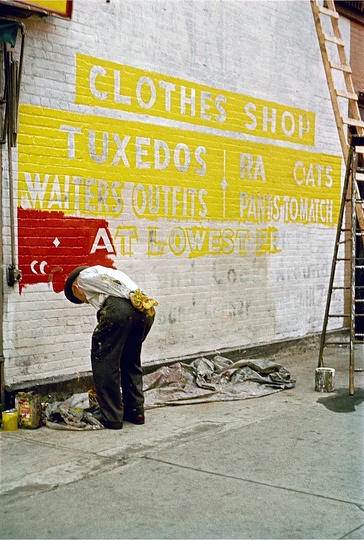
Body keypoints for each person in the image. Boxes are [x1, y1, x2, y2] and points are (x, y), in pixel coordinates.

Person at [63, 265, 157, 430]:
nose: (85, 300)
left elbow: (110, 283)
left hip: (120, 310)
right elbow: (117, 282)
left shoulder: (84, 277)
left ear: (76, 289)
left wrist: (129, 294)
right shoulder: (110, 270)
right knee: (130, 360)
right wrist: (133, 295)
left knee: (105, 362)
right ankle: (135, 412)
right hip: (144, 312)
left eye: (81, 299)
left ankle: (111, 416)